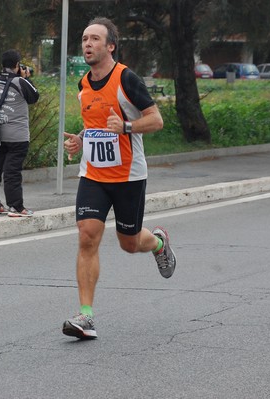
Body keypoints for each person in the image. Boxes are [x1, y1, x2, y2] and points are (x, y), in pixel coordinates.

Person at [62, 17, 177, 339]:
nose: (87, 44)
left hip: (128, 177)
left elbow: (156, 120)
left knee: (129, 243)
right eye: (84, 39)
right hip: (94, 175)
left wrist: (127, 127)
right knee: (87, 236)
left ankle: (157, 242)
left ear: (110, 45)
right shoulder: (84, 84)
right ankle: (85, 317)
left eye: (95, 39)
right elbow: (98, 125)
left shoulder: (127, 78)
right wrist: (82, 140)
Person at [0, 49, 39, 217]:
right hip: (17, 136)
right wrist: (26, 78)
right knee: (12, 172)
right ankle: (15, 206)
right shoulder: (20, 82)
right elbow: (34, 97)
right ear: (17, 65)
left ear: (2, 64)